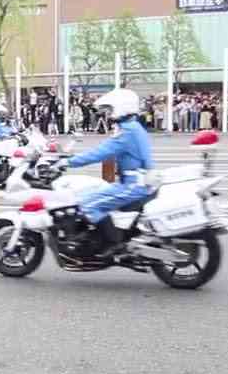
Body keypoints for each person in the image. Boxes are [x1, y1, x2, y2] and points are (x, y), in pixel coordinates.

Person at [53, 89, 154, 254]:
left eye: (110, 109)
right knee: (92, 193)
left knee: (87, 205)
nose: (108, 114)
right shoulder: (134, 127)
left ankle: (113, 245)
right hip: (137, 181)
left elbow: (99, 153)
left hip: (132, 185)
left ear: (121, 107)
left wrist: (67, 161)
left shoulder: (127, 132)